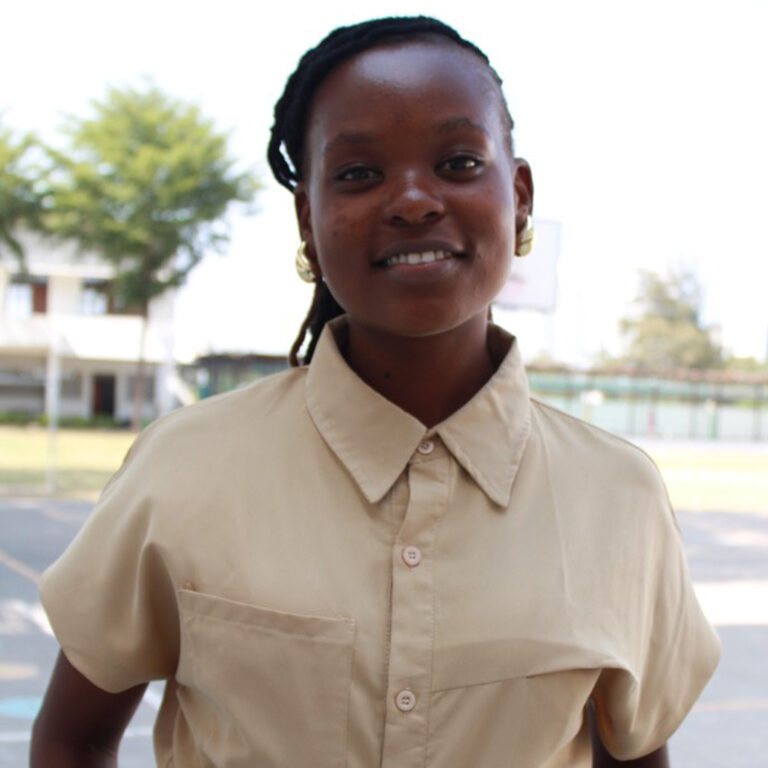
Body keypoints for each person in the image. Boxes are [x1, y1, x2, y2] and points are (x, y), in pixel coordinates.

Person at [31, 16, 719, 768]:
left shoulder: (618, 496)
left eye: (459, 162)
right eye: (359, 174)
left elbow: (634, 753)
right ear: (308, 218)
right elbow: (71, 739)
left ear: (519, 196)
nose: (414, 201)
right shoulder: (186, 467)